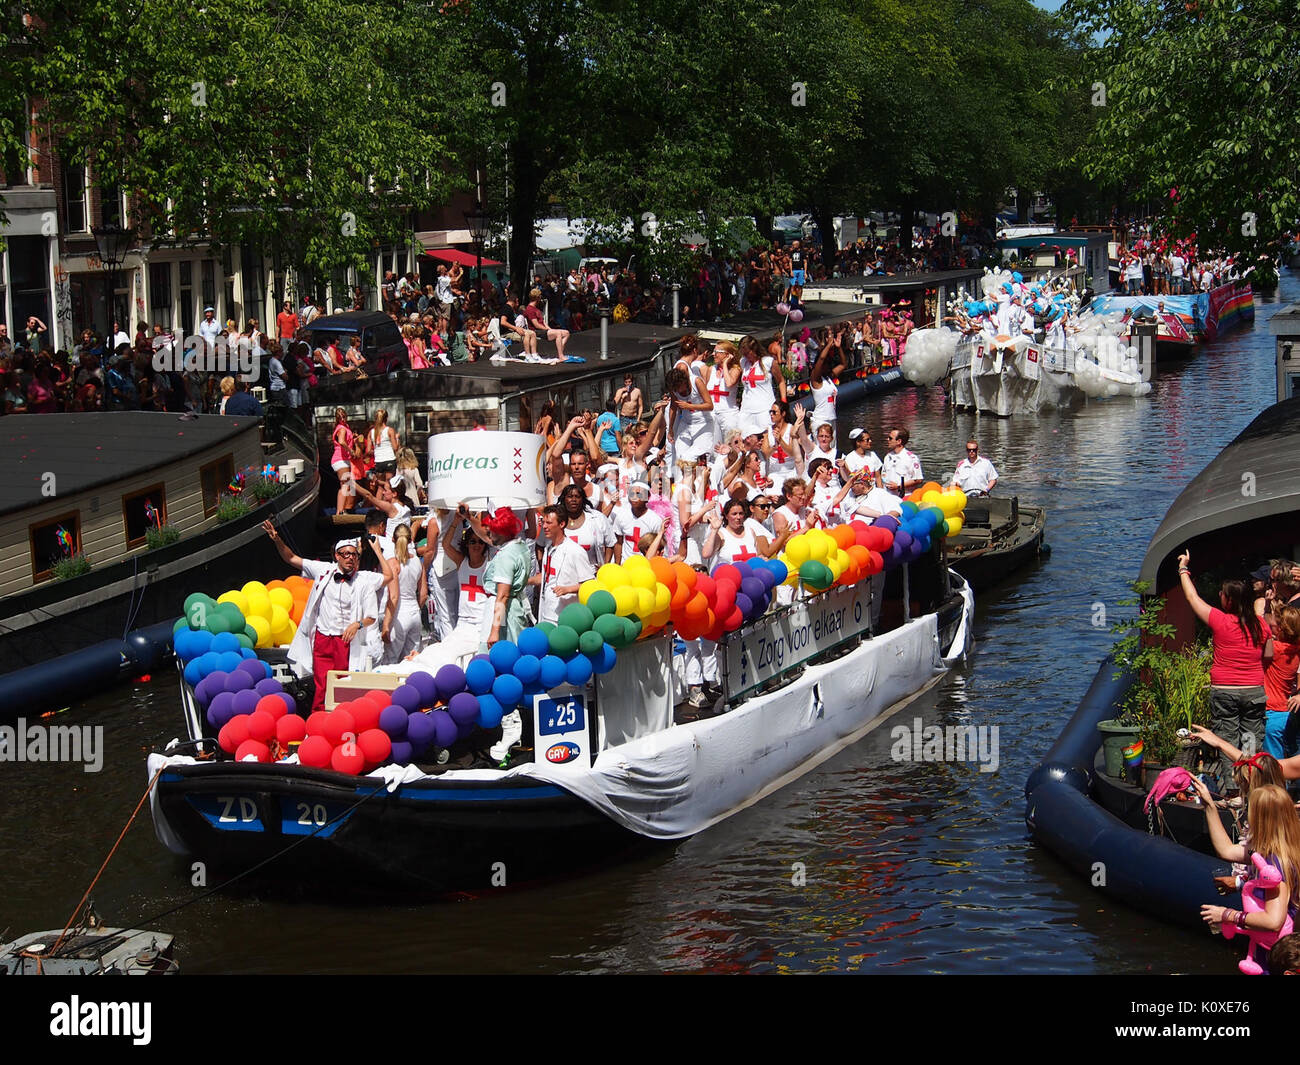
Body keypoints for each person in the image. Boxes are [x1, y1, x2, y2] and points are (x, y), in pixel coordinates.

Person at [265, 522, 396, 711]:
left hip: (346, 640)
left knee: (342, 685)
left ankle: (339, 719)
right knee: (321, 684)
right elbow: (291, 558)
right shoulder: (323, 570)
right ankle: (318, 721)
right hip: (323, 636)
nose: (350, 558)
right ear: (337, 556)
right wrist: (277, 539)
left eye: (354, 555)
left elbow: (388, 576)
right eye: (346, 554)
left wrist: (377, 550)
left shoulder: (364, 579)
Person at [1178, 550, 1270, 781]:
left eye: (1222, 593)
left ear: (1228, 599)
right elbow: (1268, 655)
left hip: (1225, 690)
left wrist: (1183, 568)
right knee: (1250, 740)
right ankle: (1249, 783)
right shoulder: (1261, 625)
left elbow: (1192, 598)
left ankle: (1231, 787)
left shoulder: (1219, 620)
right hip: (1253, 690)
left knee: (1226, 740)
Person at [1190, 781, 1300, 973]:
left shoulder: (1275, 864)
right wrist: (1209, 804)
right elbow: (1226, 850)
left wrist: (1227, 915)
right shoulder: (1275, 850)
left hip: (1275, 953)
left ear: (1261, 819)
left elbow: (1273, 921)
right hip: (1270, 946)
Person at [534, 504, 595, 624]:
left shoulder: (576, 551)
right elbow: (546, 577)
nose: (544, 526)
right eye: (543, 522)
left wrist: (568, 589)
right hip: (546, 613)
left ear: (561, 524)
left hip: (564, 618)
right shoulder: (548, 548)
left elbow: (589, 584)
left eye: (549, 523)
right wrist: (527, 581)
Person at [381, 523, 427, 664]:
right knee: (411, 660)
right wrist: (417, 608)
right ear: (411, 540)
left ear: (393, 539)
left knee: (391, 659)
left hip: (399, 616)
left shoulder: (392, 563)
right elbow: (423, 594)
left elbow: (393, 597)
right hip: (414, 614)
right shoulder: (417, 562)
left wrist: (386, 624)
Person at [559, 482, 615, 567]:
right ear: (564, 499)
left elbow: (610, 543)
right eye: (570, 496)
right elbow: (541, 545)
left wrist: (605, 567)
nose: (574, 499)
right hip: (565, 575)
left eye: (577, 496)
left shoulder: (598, 518)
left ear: (583, 499)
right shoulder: (556, 520)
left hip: (592, 575)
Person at [609, 480, 664, 563]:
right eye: (631, 493)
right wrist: (617, 565)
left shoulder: (655, 520)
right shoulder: (621, 516)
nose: (634, 497)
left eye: (638, 494)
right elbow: (618, 543)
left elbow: (658, 547)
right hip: (625, 564)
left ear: (647, 497)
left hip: (645, 565)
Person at [882, 427, 923, 496]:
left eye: (890, 438)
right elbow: (883, 474)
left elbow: (918, 479)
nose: (887, 439)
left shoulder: (912, 458)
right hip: (888, 497)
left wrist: (898, 486)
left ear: (899, 441)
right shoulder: (888, 457)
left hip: (905, 498)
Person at [368, 409, 400, 475]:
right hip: (389, 458)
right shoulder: (390, 430)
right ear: (386, 418)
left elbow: (368, 451)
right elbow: (395, 448)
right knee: (388, 483)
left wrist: (377, 450)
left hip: (378, 460)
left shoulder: (371, 432)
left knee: (380, 483)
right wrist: (397, 439)